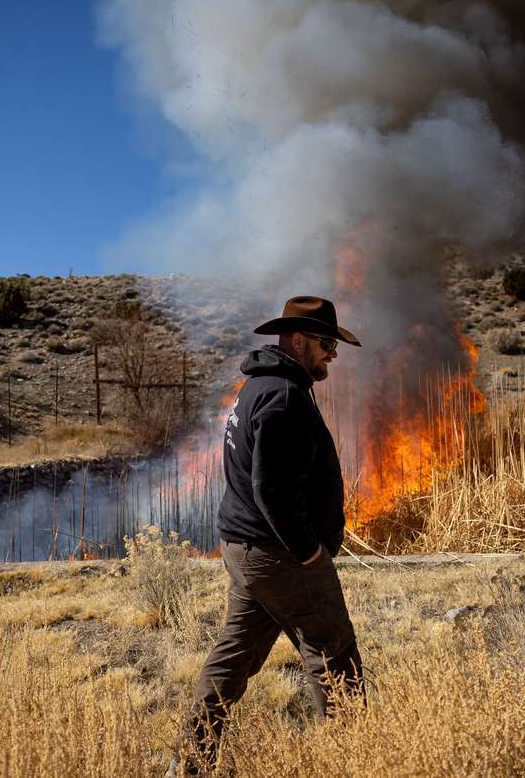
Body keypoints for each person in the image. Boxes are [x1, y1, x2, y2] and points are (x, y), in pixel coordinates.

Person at [185, 295, 364, 770]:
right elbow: (271, 489)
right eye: (327, 343)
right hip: (280, 554)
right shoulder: (283, 398)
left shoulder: (259, 386)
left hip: (248, 550)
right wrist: (308, 551)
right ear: (298, 340)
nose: (333, 353)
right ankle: (355, 761)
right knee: (334, 652)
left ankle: (192, 761)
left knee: (235, 654)